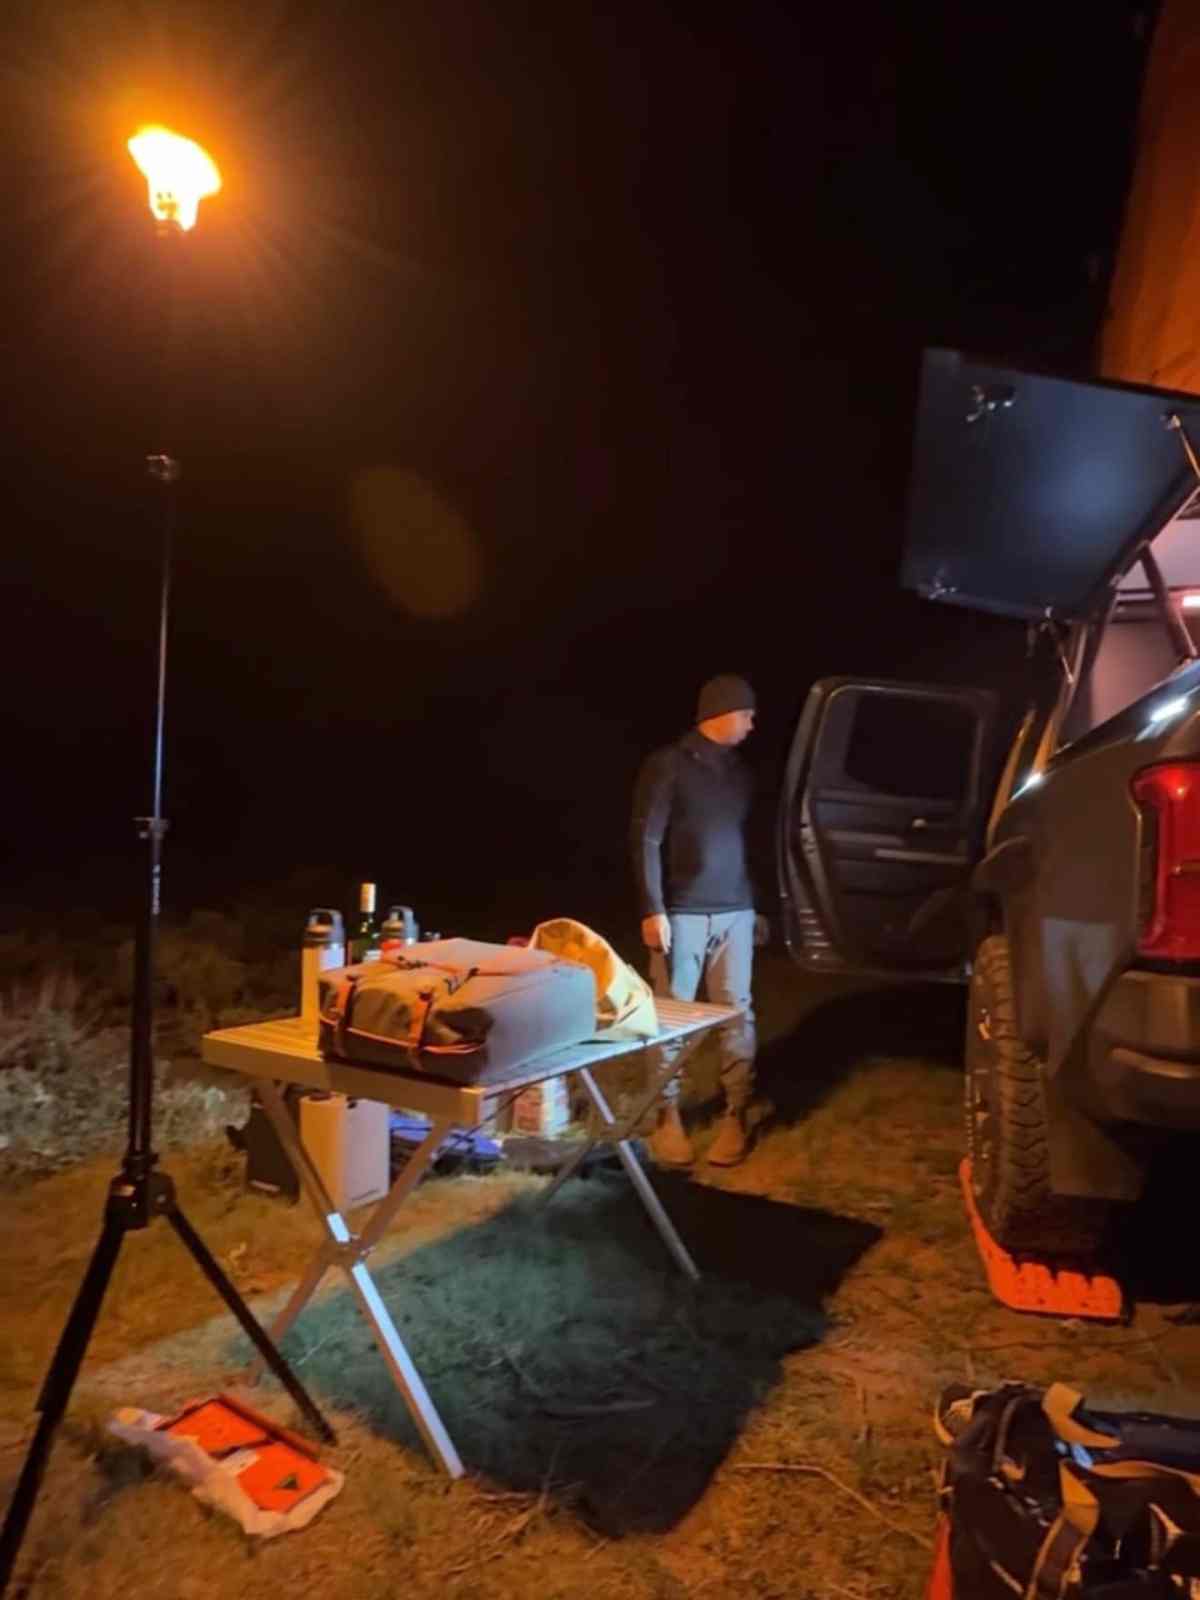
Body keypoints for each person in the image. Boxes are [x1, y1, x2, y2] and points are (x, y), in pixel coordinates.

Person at [630, 673, 759, 1167]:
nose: (752, 724)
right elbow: (646, 838)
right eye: (746, 714)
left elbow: (746, 841)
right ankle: (667, 1117)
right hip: (682, 914)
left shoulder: (741, 773)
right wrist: (653, 908)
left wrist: (757, 906)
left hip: (736, 911)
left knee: (736, 1013)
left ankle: (735, 1113)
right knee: (671, 1017)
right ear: (721, 713)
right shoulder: (669, 765)